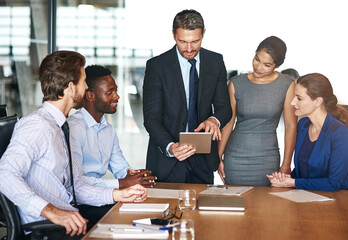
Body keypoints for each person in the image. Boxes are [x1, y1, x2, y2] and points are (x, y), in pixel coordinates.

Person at [0, 51, 147, 239]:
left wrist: (118, 195)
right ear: (71, 87)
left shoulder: (60, 126)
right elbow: (4, 174)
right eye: (83, 81)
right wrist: (52, 211)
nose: (86, 88)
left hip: (69, 222)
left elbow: (76, 186)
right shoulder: (38, 125)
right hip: (48, 229)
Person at [143, 9, 232, 184]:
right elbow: (151, 118)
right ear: (173, 35)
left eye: (195, 41)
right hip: (168, 160)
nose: (189, 49)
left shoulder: (215, 61)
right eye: (182, 41)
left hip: (203, 160)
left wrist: (214, 120)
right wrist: (171, 147)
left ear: (203, 34)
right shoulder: (157, 66)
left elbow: (225, 108)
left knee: (201, 210)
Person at [218, 36, 297, 186]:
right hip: (235, 157)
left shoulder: (287, 85)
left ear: (277, 65)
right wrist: (218, 157)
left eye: (266, 64)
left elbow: (291, 127)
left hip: (267, 157)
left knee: (265, 206)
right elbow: (228, 123)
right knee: (236, 203)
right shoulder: (236, 83)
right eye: (256, 59)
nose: (258, 67)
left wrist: (286, 164)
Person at [68, 65, 156, 189]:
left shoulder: (108, 130)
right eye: (109, 93)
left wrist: (139, 176)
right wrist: (121, 183)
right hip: (80, 202)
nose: (116, 97)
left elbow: (120, 168)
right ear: (90, 96)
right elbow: (76, 181)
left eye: (116, 91)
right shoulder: (74, 128)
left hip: (100, 196)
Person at [267, 73, 348, 191]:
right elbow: (304, 171)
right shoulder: (303, 125)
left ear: (317, 101)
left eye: (299, 98)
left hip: (339, 200)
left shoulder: (340, 133)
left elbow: (334, 183)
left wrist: (292, 182)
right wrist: (284, 179)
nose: (292, 102)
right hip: (307, 196)